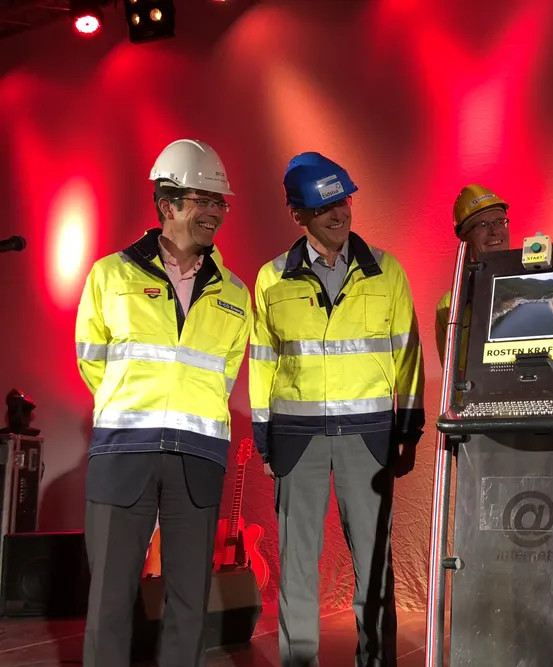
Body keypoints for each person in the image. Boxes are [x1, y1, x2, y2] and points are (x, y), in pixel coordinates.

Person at [75, 138, 251, 667]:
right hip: (122, 452)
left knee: (190, 602)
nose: (215, 212)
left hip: (198, 458)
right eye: (204, 199)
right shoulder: (110, 274)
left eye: (221, 203)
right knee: (109, 599)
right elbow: (92, 361)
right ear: (167, 204)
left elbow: (224, 374)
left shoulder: (235, 293)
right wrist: (133, 406)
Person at [249, 152, 425, 667]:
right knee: (297, 566)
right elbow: (261, 363)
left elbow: (408, 354)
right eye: (324, 206)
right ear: (297, 214)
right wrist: (264, 438)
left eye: (343, 201)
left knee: (374, 564)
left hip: (368, 437)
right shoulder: (271, 278)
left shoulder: (386, 271)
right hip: (296, 438)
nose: (339, 213)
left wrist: (409, 430)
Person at [434, 184, 511, 368]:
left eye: (499, 222)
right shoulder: (450, 306)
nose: (494, 231)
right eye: (483, 225)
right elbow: (452, 374)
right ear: (464, 237)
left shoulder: (536, 285)